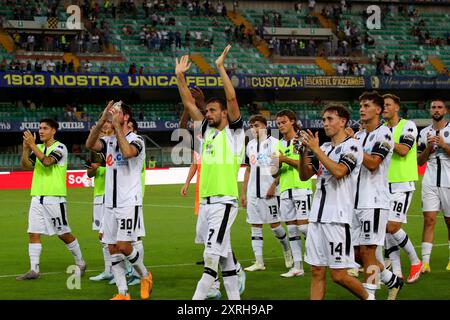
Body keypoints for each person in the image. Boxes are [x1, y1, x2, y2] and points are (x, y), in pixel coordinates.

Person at [175, 45, 244, 300]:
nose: (208, 113)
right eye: (207, 111)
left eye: (213, 110)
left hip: (224, 203)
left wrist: (220, 68)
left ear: (224, 113)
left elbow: (233, 98)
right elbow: (188, 103)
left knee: (210, 259)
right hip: (205, 205)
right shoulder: (207, 134)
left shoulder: (234, 134)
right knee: (224, 258)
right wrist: (180, 77)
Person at [299, 104, 370, 300]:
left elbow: (339, 172)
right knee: (316, 271)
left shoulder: (353, 146)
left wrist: (315, 150)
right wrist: (304, 151)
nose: (325, 123)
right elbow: (305, 176)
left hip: (337, 219)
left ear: (343, 122)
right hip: (317, 218)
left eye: (330, 119)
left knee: (339, 275)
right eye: (323, 120)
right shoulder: (324, 147)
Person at [85, 101, 152, 300]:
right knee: (112, 248)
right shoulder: (109, 142)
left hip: (128, 202)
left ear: (125, 118)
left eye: (117, 113)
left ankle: (145, 275)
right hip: (109, 204)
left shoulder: (137, 139)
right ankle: (123, 293)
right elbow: (90, 144)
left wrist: (115, 128)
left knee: (124, 246)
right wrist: (102, 119)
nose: (113, 115)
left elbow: (127, 153)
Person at [17, 119, 86, 280]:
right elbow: (26, 165)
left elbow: (47, 162)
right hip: (37, 197)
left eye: (45, 128)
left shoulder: (60, 148)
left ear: (53, 130)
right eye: (40, 128)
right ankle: (34, 270)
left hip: (54, 198)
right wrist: (26, 149)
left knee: (63, 233)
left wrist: (32, 145)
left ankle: (80, 262)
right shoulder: (39, 148)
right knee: (33, 233)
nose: (41, 131)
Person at [353, 91, 404, 300]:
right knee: (356, 254)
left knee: (367, 252)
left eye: (366, 106)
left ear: (378, 110)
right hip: (355, 201)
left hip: (373, 201)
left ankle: (371, 295)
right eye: (361, 106)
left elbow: (373, 163)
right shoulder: (358, 135)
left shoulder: (384, 134)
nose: (362, 109)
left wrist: (353, 146)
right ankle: (393, 280)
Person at [241, 114, 293, 272]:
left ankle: (287, 250)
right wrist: (243, 193)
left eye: (256, 125)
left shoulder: (275, 143)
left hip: (269, 192)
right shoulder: (249, 145)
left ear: (264, 126)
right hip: (252, 193)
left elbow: (280, 167)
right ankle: (259, 262)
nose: (253, 129)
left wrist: (273, 185)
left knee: (275, 225)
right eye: (251, 126)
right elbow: (248, 169)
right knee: (255, 226)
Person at [382, 94, 422, 283]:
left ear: (397, 107)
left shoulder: (408, 125)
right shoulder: (381, 129)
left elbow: (404, 150)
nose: (385, 108)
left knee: (392, 226)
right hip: (382, 185)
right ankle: (397, 272)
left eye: (388, 105)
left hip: (402, 184)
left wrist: (383, 137)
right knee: (386, 230)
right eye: (383, 105)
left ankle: (415, 261)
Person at [272, 109, 313, 278]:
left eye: (283, 122)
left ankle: (321, 257)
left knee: (304, 227)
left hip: (301, 187)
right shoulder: (278, 145)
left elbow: (308, 165)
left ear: (292, 121)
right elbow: (274, 173)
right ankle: (297, 267)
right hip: (285, 189)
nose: (281, 126)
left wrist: (285, 160)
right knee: (292, 230)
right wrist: (277, 165)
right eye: (278, 123)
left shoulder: (302, 139)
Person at [417, 99, 450, 273]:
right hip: (429, 180)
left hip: (448, 180)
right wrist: (428, 149)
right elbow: (419, 161)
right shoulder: (423, 133)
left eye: (439, 107)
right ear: (430, 111)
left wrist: (444, 145)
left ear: (445, 110)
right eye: (433, 107)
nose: (436, 110)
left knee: (449, 221)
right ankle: (425, 262)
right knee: (429, 219)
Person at [88, 120, 114, 282]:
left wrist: (101, 168)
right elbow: (90, 173)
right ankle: (108, 270)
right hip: (98, 194)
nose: (104, 127)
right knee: (103, 236)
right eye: (102, 125)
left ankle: (123, 270)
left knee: (108, 234)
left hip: (111, 194)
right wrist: (93, 169)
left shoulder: (117, 145)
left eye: (107, 125)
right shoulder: (96, 148)